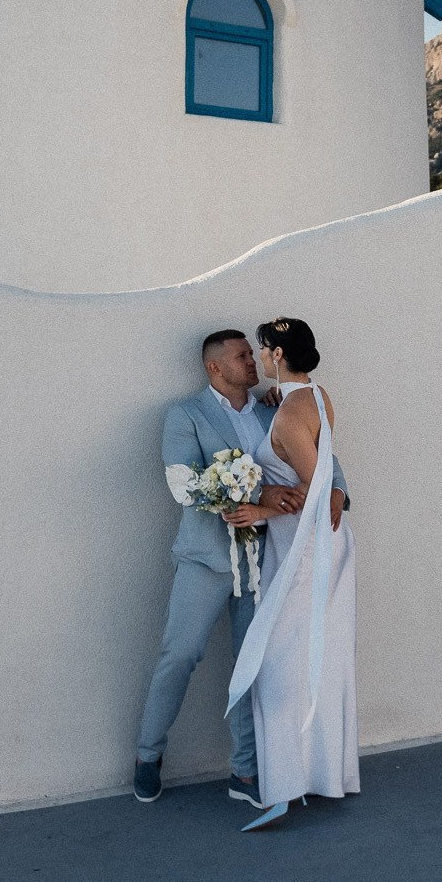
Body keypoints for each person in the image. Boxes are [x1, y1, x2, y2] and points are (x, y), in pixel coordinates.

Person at [133, 329, 347, 809]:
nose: (252, 361)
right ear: (215, 367)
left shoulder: (275, 407)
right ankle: (148, 753)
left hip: (267, 559)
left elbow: (320, 453)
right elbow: (185, 485)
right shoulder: (186, 414)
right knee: (179, 655)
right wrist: (259, 493)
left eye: (253, 353)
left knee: (253, 666)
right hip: (206, 561)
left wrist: (338, 489)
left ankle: (245, 771)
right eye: (241, 356)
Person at [224, 317, 358, 831]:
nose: (258, 357)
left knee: (277, 666)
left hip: (308, 551)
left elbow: (317, 490)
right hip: (315, 545)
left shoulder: (286, 417)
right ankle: (323, 774)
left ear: (277, 354)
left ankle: (280, 789)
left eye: (262, 349)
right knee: (315, 658)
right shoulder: (316, 396)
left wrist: (260, 511)